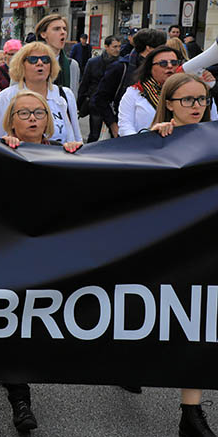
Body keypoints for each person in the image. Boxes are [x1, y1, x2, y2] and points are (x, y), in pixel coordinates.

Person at [144, 72, 218, 437]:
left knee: (200, 324)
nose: (196, 106)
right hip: (164, 248)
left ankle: (192, 411)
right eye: (187, 100)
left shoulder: (215, 139)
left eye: (201, 99)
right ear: (169, 103)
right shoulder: (151, 140)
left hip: (206, 247)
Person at [0, 41, 82, 143]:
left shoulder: (65, 95)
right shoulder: (6, 97)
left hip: (60, 158)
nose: (40, 63)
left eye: (46, 60)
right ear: (21, 65)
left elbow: (77, 138)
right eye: (33, 60)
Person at [117, 45, 216, 135]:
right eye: (163, 63)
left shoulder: (194, 90)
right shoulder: (135, 92)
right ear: (150, 67)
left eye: (174, 62)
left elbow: (213, 120)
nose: (170, 66)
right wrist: (148, 138)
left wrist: (204, 87)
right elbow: (125, 127)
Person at [91, 28, 167, 138]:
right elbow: (100, 99)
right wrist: (113, 125)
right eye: (161, 48)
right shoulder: (121, 68)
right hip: (124, 131)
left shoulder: (160, 68)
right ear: (149, 48)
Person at [0, 90, 83, 156]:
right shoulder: (1, 149)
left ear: (47, 120)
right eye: (24, 113)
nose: (32, 118)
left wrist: (75, 153)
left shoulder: (59, 150)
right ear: (11, 121)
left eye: (39, 113)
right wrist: (1, 146)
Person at [76, 35, 122, 142]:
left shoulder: (122, 64)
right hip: (95, 103)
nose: (117, 50)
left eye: (119, 47)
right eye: (114, 47)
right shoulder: (93, 62)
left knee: (114, 134)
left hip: (114, 105)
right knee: (94, 134)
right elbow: (85, 84)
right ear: (106, 46)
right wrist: (80, 103)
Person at [35, 13, 79, 91]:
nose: (63, 32)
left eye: (64, 29)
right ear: (43, 34)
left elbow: (73, 97)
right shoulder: (29, 62)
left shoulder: (72, 65)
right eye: (57, 29)